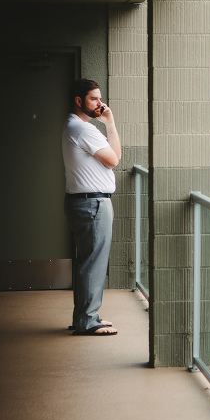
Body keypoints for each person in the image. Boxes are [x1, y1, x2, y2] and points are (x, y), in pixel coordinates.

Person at [62, 79, 121, 336]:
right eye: (94, 99)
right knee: (93, 263)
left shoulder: (73, 125)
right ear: (79, 101)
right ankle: (87, 320)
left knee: (87, 262)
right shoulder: (84, 129)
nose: (100, 103)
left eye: (100, 98)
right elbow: (114, 159)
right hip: (92, 203)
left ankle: (85, 316)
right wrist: (110, 123)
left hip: (83, 202)